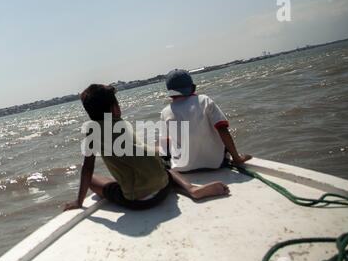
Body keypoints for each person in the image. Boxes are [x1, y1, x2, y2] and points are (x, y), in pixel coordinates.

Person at [64, 84, 230, 211]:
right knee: (163, 167)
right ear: (114, 109)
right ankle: (191, 188)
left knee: (93, 179)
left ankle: (132, 187)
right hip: (164, 186)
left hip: (140, 201)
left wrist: (78, 202)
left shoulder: (92, 132)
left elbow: (87, 169)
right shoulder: (122, 124)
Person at [160, 69, 252, 172]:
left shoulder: (165, 111)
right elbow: (222, 128)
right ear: (193, 87)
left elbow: (164, 143)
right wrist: (236, 158)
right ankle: (235, 157)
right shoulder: (204, 100)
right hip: (215, 163)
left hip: (182, 168)